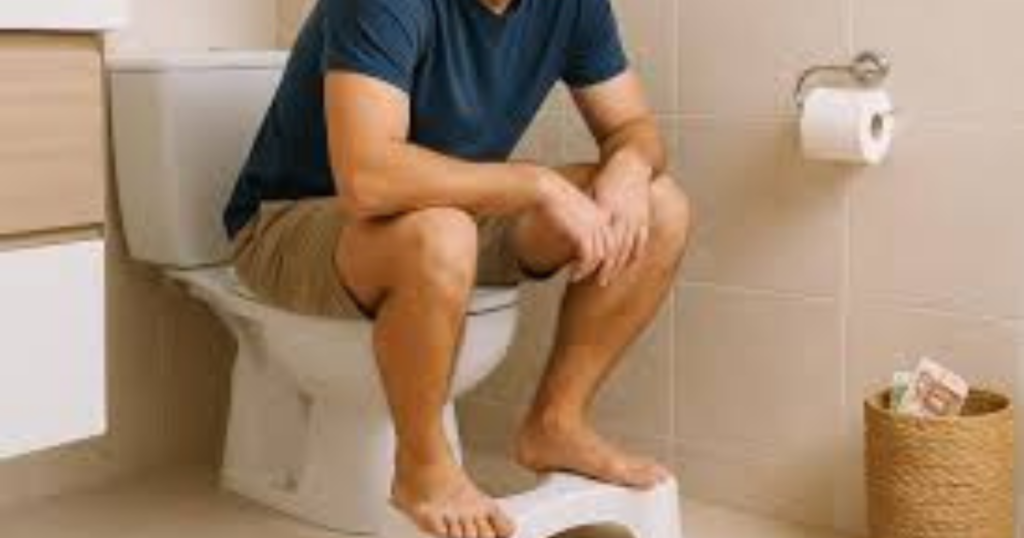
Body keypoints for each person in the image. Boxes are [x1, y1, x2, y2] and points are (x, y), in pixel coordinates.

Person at [222, 0, 692, 535]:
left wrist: (629, 166)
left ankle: (556, 424)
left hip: (452, 207)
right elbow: (369, 179)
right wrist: (537, 184)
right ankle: (422, 467)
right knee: (441, 234)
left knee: (661, 206)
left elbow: (631, 124)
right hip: (293, 220)